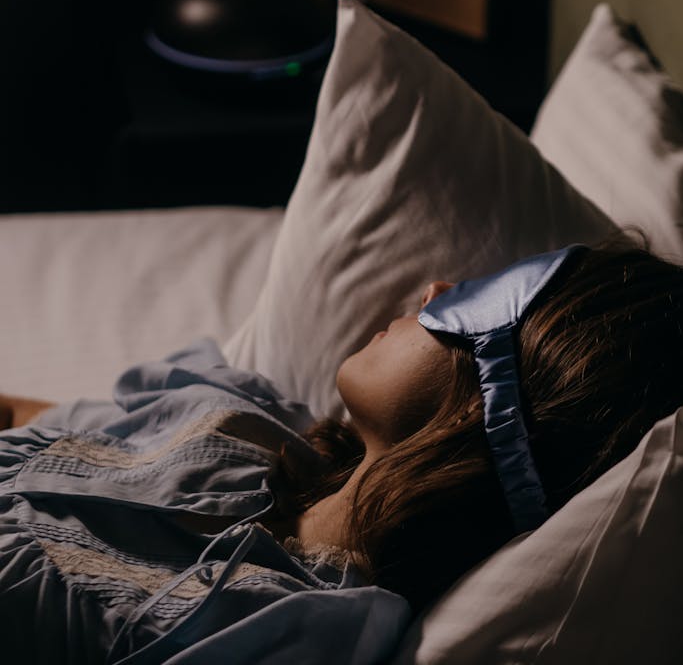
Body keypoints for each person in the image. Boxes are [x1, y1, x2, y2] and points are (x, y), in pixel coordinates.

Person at [1, 240, 682, 663]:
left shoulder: (288, 629)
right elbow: (29, 422)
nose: (435, 287)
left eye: (476, 299)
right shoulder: (241, 417)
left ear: (499, 400)